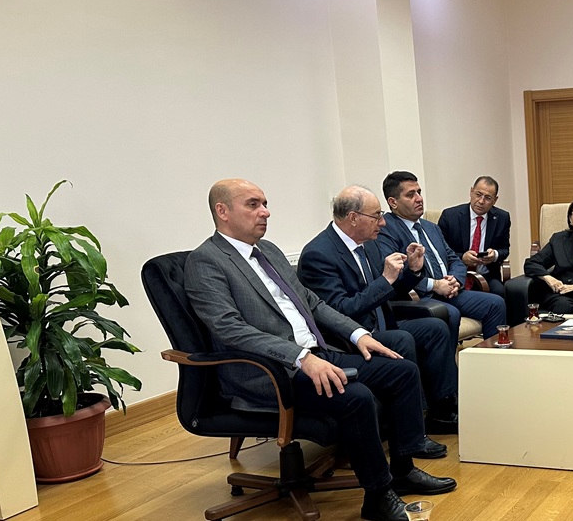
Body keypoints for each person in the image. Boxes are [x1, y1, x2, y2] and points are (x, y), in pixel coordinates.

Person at [184, 179, 456, 521]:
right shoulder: (206, 261)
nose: (265, 212)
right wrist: (300, 357)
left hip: (315, 352)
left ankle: (402, 470)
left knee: (401, 370)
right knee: (356, 396)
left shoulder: (268, 251)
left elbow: (312, 303)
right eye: (253, 204)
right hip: (269, 371)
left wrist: (357, 334)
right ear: (222, 211)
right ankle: (377, 496)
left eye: (265, 203)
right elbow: (230, 328)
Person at [298, 185, 458, 437]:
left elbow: (389, 291)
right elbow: (340, 310)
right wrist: (385, 279)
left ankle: (442, 409)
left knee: (434, 328)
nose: (383, 223)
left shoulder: (368, 245)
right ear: (353, 218)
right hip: (349, 337)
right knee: (401, 339)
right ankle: (410, 430)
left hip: (382, 323)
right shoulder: (318, 254)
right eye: (376, 216)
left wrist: (413, 271)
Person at [376, 171, 507, 345]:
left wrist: (455, 280)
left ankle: (489, 358)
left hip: (449, 290)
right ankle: (448, 362)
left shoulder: (430, 227)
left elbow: (454, 259)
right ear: (393, 202)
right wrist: (435, 285)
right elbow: (396, 276)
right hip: (419, 296)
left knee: (495, 303)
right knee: (450, 313)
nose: (419, 199)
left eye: (419, 192)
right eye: (411, 195)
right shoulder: (385, 230)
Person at [437, 176, 511, 297]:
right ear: (471, 192)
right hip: (454, 275)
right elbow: (439, 251)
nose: (481, 201)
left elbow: (505, 249)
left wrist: (494, 255)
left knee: (501, 294)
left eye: (488, 198)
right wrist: (462, 258)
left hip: (487, 275)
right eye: (478, 194)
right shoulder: (450, 216)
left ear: (495, 200)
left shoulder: (502, 218)